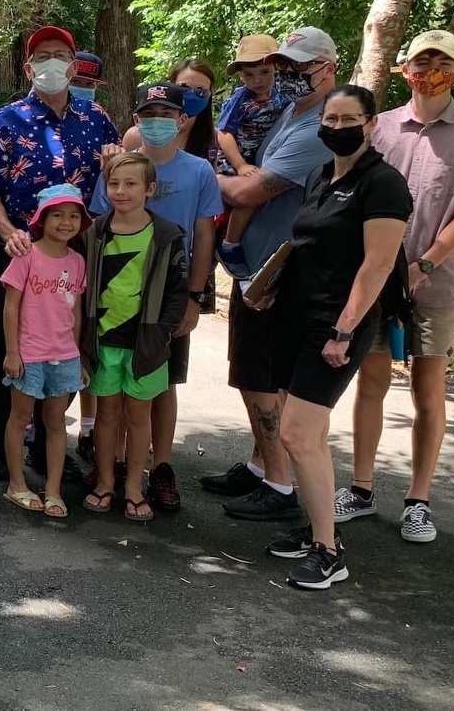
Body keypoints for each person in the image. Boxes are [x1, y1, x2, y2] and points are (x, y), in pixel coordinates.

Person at [343, 30, 454, 544]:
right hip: (374, 280)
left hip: (434, 286)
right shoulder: (381, 126)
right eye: (421, 61)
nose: (430, 70)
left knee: (426, 391)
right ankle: (362, 489)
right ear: (404, 68)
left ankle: (418, 500)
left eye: (442, 62)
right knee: (369, 382)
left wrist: (422, 269)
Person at [256, 85, 411, 589]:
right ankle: (315, 528)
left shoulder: (383, 184)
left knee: (298, 433)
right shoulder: (321, 175)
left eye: (350, 120)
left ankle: (329, 551)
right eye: (331, 118)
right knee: (307, 436)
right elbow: (305, 245)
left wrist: (344, 330)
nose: (338, 127)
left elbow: (379, 264)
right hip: (292, 316)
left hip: (337, 325)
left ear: (371, 124)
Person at [0, 26, 120, 482]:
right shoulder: (5, 122)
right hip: (15, 250)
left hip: (74, 254)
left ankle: (44, 440)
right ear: (29, 68)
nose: (53, 63)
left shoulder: (97, 120)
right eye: (43, 56)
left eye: (61, 55)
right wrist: (10, 233)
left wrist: (114, 165)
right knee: (6, 346)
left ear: (74, 66)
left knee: (64, 345)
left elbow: (115, 180)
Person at [200, 27, 338, 522]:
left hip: (278, 273)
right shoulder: (287, 112)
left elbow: (248, 192)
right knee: (252, 372)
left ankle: (280, 485)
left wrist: (179, 171)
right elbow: (247, 170)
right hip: (256, 264)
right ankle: (262, 466)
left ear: (329, 67)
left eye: (303, 67)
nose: (292, 76)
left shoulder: (319, 128)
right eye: (286, 66)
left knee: (261, 377)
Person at [91, 82, 221, 512]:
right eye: (150, 114)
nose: (158, 122)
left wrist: (195, 297)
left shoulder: (199, 170)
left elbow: (203, 236)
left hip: (168, 298)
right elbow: (94, 236)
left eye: (167, 115)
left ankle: (157, 468)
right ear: (136, 120)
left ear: (182, 120)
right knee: (112, 396)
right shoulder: (117, 170)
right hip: (115, 312)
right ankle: (112, 468)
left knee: (160, 386)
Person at [76, 152, 189, 522]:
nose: (120, 191)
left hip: (146, 345)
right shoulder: (94, 233)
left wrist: (164, 331)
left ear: (150, 189)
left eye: (130, 184)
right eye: (113, 184)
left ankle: (134, 486)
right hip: (103, 344)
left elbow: (177, 290)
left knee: (139, 416)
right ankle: (106, 480)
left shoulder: (167, 236)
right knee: (107, 414)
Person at [0, 185, 89, 519]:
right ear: (42, 219)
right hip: (29, 354)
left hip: (64, 356)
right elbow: (10, 308)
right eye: (58, 215)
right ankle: (16, 484)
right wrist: (12, 352)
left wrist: (77, 355)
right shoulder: (27, 255)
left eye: (73, 215)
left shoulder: (78, 262)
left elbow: (75, 312)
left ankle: (53, 490)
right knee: (20, 419)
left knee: (55, 422)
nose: (66, 222)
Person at [214, 34, 288, 264]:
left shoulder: (284, 93)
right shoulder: (241, 98)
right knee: (249, 198)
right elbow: (223, 133)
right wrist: (240, 165)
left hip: (265, 156)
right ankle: (230, 243)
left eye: (264, 72)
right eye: (249, 74)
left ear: (276, 67)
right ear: (240, 75)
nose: (258, 80)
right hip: (237, 157)